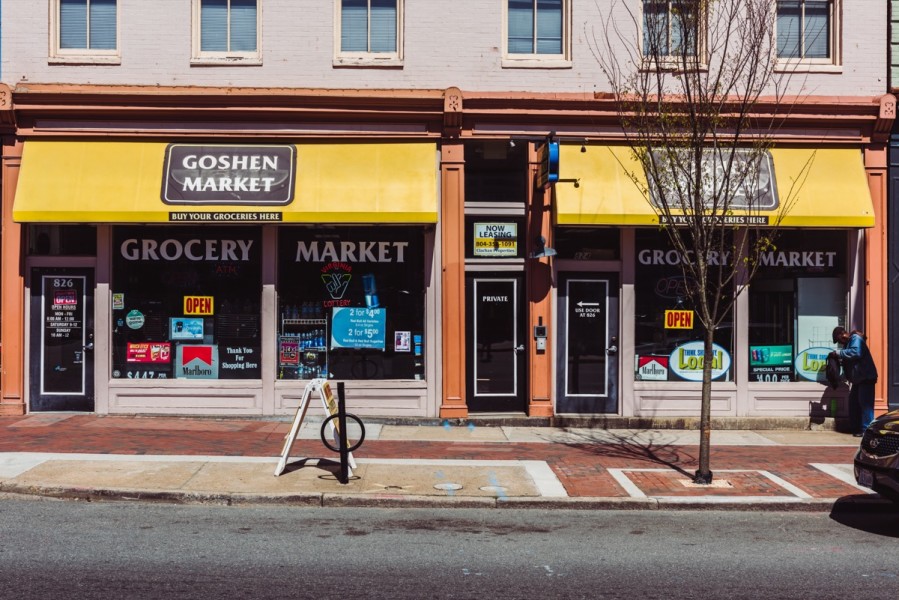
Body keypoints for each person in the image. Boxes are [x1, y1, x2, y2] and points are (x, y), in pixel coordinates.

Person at [832, 326, 878, 437]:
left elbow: (856, 352)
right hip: (858, 379)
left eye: (838, 340)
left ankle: (866, 430)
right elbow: (851, 359)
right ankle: (856, 427)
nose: (839, 343)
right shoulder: (848, 343)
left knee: (865, 405)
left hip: (865, 378)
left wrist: (838, 353)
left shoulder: (855, 338)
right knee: (853, 404)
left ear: (842, 334)